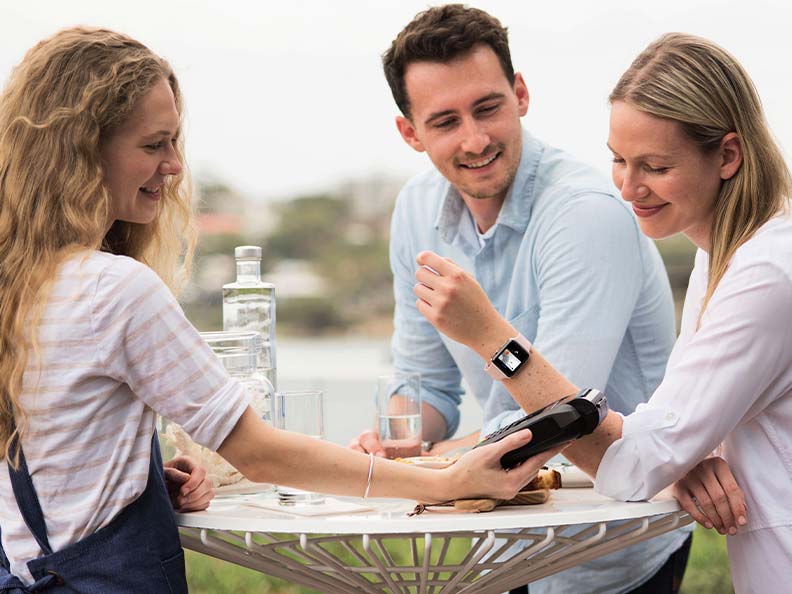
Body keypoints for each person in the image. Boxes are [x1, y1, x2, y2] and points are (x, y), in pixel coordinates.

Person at [0, 27, 552, 594]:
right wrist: (440, 484)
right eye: (153, 145)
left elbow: (49, 463)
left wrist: (132, 483)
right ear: (85, 152)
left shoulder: (23, 283)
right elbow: (259, 454)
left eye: (174, 143)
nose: (173, 166)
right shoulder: (113, 289)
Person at [413, 31, 789, 594]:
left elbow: (636, 463)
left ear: (728, 155)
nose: (629, 187)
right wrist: (687, 453)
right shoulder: (727, 258)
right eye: (618, 159)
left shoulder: (765, 274)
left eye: (656, 167)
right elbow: (666, 436)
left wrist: (493, 338)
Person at [350, 5, 691, 593]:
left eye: (488, 108)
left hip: (615, 542)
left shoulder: (586, 212)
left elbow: (557, 420)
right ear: (410, 133)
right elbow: (426, 382)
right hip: (505, 544)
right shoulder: (414, 211)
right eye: (446, 121)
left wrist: (409, 466)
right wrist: (396, 435)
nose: (476, 139)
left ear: (521, 94)